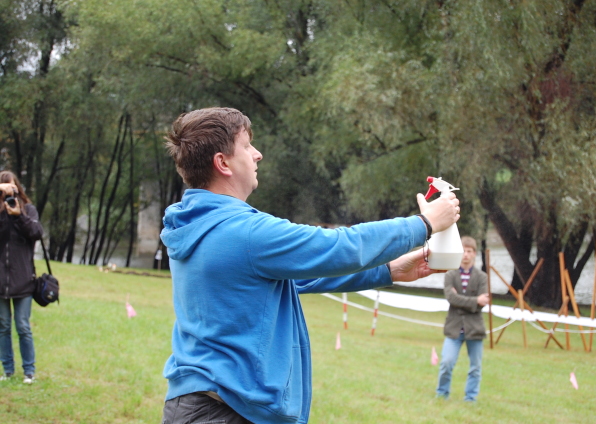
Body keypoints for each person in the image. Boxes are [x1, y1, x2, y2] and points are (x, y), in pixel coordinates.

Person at [160, 107, 460, 424]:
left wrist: (388, 271)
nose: (257, 154)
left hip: (200, 404)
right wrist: (424, 224)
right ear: (223, 163)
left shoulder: (198, 224)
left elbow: (291, 279)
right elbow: (337, 246)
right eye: (246, 146)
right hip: (226, 411)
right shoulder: (243, 232)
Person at [0, 170, 44, 384]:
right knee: (3, 327)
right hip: (0, 280)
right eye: (4, 189)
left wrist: (19, 216)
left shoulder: (28, 209)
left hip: (23, 278)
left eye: (12, 188)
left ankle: (29, 371)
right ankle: (7, 370)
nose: (10, 194)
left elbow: (37, 233)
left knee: (23, 326)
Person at [435, 236, 489, 402]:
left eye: (469, 251)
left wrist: (461, 300)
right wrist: (474, 300)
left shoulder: (482, 277)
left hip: (475, 328)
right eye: (463, 251)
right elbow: (451, 298)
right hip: (454, 328)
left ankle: (471, 398)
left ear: (474, 254)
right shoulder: (450, 275)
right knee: (446, 363)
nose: (466, 254)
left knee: (475, 367)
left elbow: (482, 303)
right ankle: (442, 394)